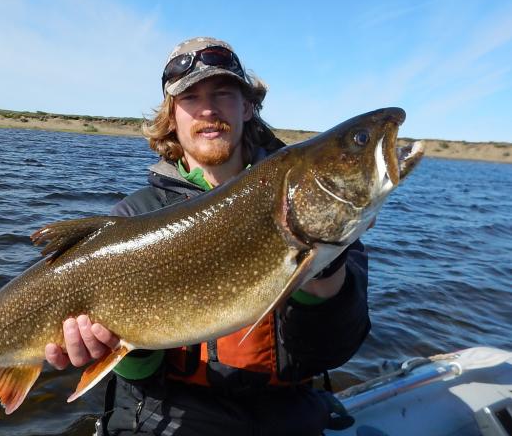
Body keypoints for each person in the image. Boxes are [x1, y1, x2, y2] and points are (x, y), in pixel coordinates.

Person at [45, 37, 370, 435]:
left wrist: (323, 268)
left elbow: (333, 351)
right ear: (172, 116)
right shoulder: (135, 216)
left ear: (247, 107)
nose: (209, 109)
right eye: (190, 98)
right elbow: (140, 378)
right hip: (169, 415)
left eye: (223, 94)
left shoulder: (305, 202)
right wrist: (120, 346)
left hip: (287, 413)